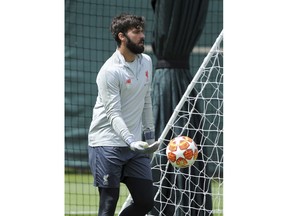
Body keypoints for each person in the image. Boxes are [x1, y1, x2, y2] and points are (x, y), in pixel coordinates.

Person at [88, 13, 160, 216]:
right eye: (136, 32)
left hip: (136, 146)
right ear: (122, 36)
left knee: (145, 201)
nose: (142, 35)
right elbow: (113, 113)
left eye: (142, 31)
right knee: (108, 204)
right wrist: (130, 140)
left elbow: (146, 100)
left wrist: (150, 138)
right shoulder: (109, 71)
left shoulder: (146, 61)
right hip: (107, 144)